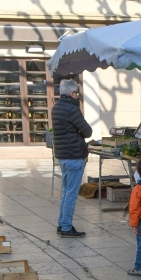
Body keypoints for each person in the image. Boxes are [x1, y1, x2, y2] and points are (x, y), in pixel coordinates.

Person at [52, 79, 92, 237]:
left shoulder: (56, 107)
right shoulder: (72, 109)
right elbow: (87, 131)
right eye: (76, 93)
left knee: (66, 192)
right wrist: (80, 133)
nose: (77, 96)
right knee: (71, 194)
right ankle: (67, 227)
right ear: (70, 93)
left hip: (62, 156)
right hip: (75, 155)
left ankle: (62, 224)